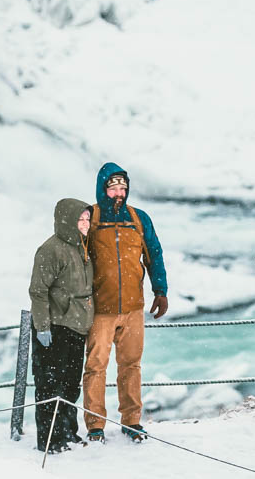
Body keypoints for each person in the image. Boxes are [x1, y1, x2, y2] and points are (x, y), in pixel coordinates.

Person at [83, 162, 168, 443]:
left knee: (131, 366)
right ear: (102, 189)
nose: (119, 193)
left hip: (133, 308)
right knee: (96, 367)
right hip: (100, 309)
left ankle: (132, 422)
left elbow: (153, 255)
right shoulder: (90, 218)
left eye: (123, 188)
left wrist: (161, 290)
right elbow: (75, 261)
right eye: (113, 188)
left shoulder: (139, 218)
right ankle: (95, 425)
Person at [28, 198, 95, 452]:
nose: (85, 224)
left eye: (87, 219)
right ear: (67, 220)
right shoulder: (50, 249)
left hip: (76, 326)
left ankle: (68, 433)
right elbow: (38, 291)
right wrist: (42, 326)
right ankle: (49, 440)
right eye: (80, 219)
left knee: (69, 384)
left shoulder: (81, 246)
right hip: (55, 327)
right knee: (49, 387)